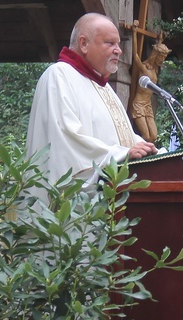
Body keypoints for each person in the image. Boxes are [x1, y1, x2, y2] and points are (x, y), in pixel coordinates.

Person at [26, 12, 158, 204]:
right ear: (84, 43)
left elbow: (122, 138)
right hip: (69, 214)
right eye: (109, 43)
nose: (118, 50)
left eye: (118, 44)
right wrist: (121, 154)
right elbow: (66, 141)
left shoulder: (103, 88)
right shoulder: (58, 76)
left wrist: (148, 150)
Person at [129, 40, 171, 143]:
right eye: (161, 57)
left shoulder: (155, 71)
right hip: (138, 105)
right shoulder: (144, 68)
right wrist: (134, 33)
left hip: (148, 106)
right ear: (155, 55)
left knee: (153, 136)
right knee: (146, 136)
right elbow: (135, 55)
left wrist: (160, 38)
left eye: (164, 58)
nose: (162, 60)